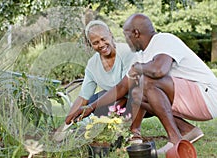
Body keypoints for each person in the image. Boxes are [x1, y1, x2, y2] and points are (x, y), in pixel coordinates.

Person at [66, 13, 217, 154]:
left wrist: (138, 69)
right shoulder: (141, 56)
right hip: (191, 100)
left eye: (127, 36)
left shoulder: (164, 39)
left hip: (207, 96)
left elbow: (159, 70)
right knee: (136, 91)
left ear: (136, 33)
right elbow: (122, 87)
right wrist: (90, 107)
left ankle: (175, 138)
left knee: (143, 81)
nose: (125, 41)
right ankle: (187, 130)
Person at [64, 20, 135, 123]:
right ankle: (113, 124)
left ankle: (122, 125)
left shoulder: (126, 52)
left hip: (137, 98)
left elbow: (124, 89)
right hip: (115, 99)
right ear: (90, 44)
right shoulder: (92, 64)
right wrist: (67, 121)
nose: (101, 45)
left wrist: (93, 108)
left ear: (110, 34)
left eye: (103, 39)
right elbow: (83, 97)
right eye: (96, 43)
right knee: (93, 100)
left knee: (96, 104)